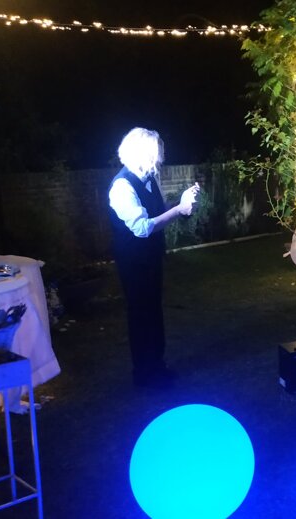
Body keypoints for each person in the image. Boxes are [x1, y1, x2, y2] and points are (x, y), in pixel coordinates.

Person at [108, 127, 200, 388]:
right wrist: (178, 210)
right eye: (156, 155)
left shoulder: (149, 179)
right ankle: (144, 374)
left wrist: (183, 205)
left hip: (151, 258)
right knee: (140, 314)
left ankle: (157, 365)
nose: (159, 161)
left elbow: (157, 213)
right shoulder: (122, 187)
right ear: (142, 154)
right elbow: (142, 228)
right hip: (133, 262)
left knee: (154, 311)